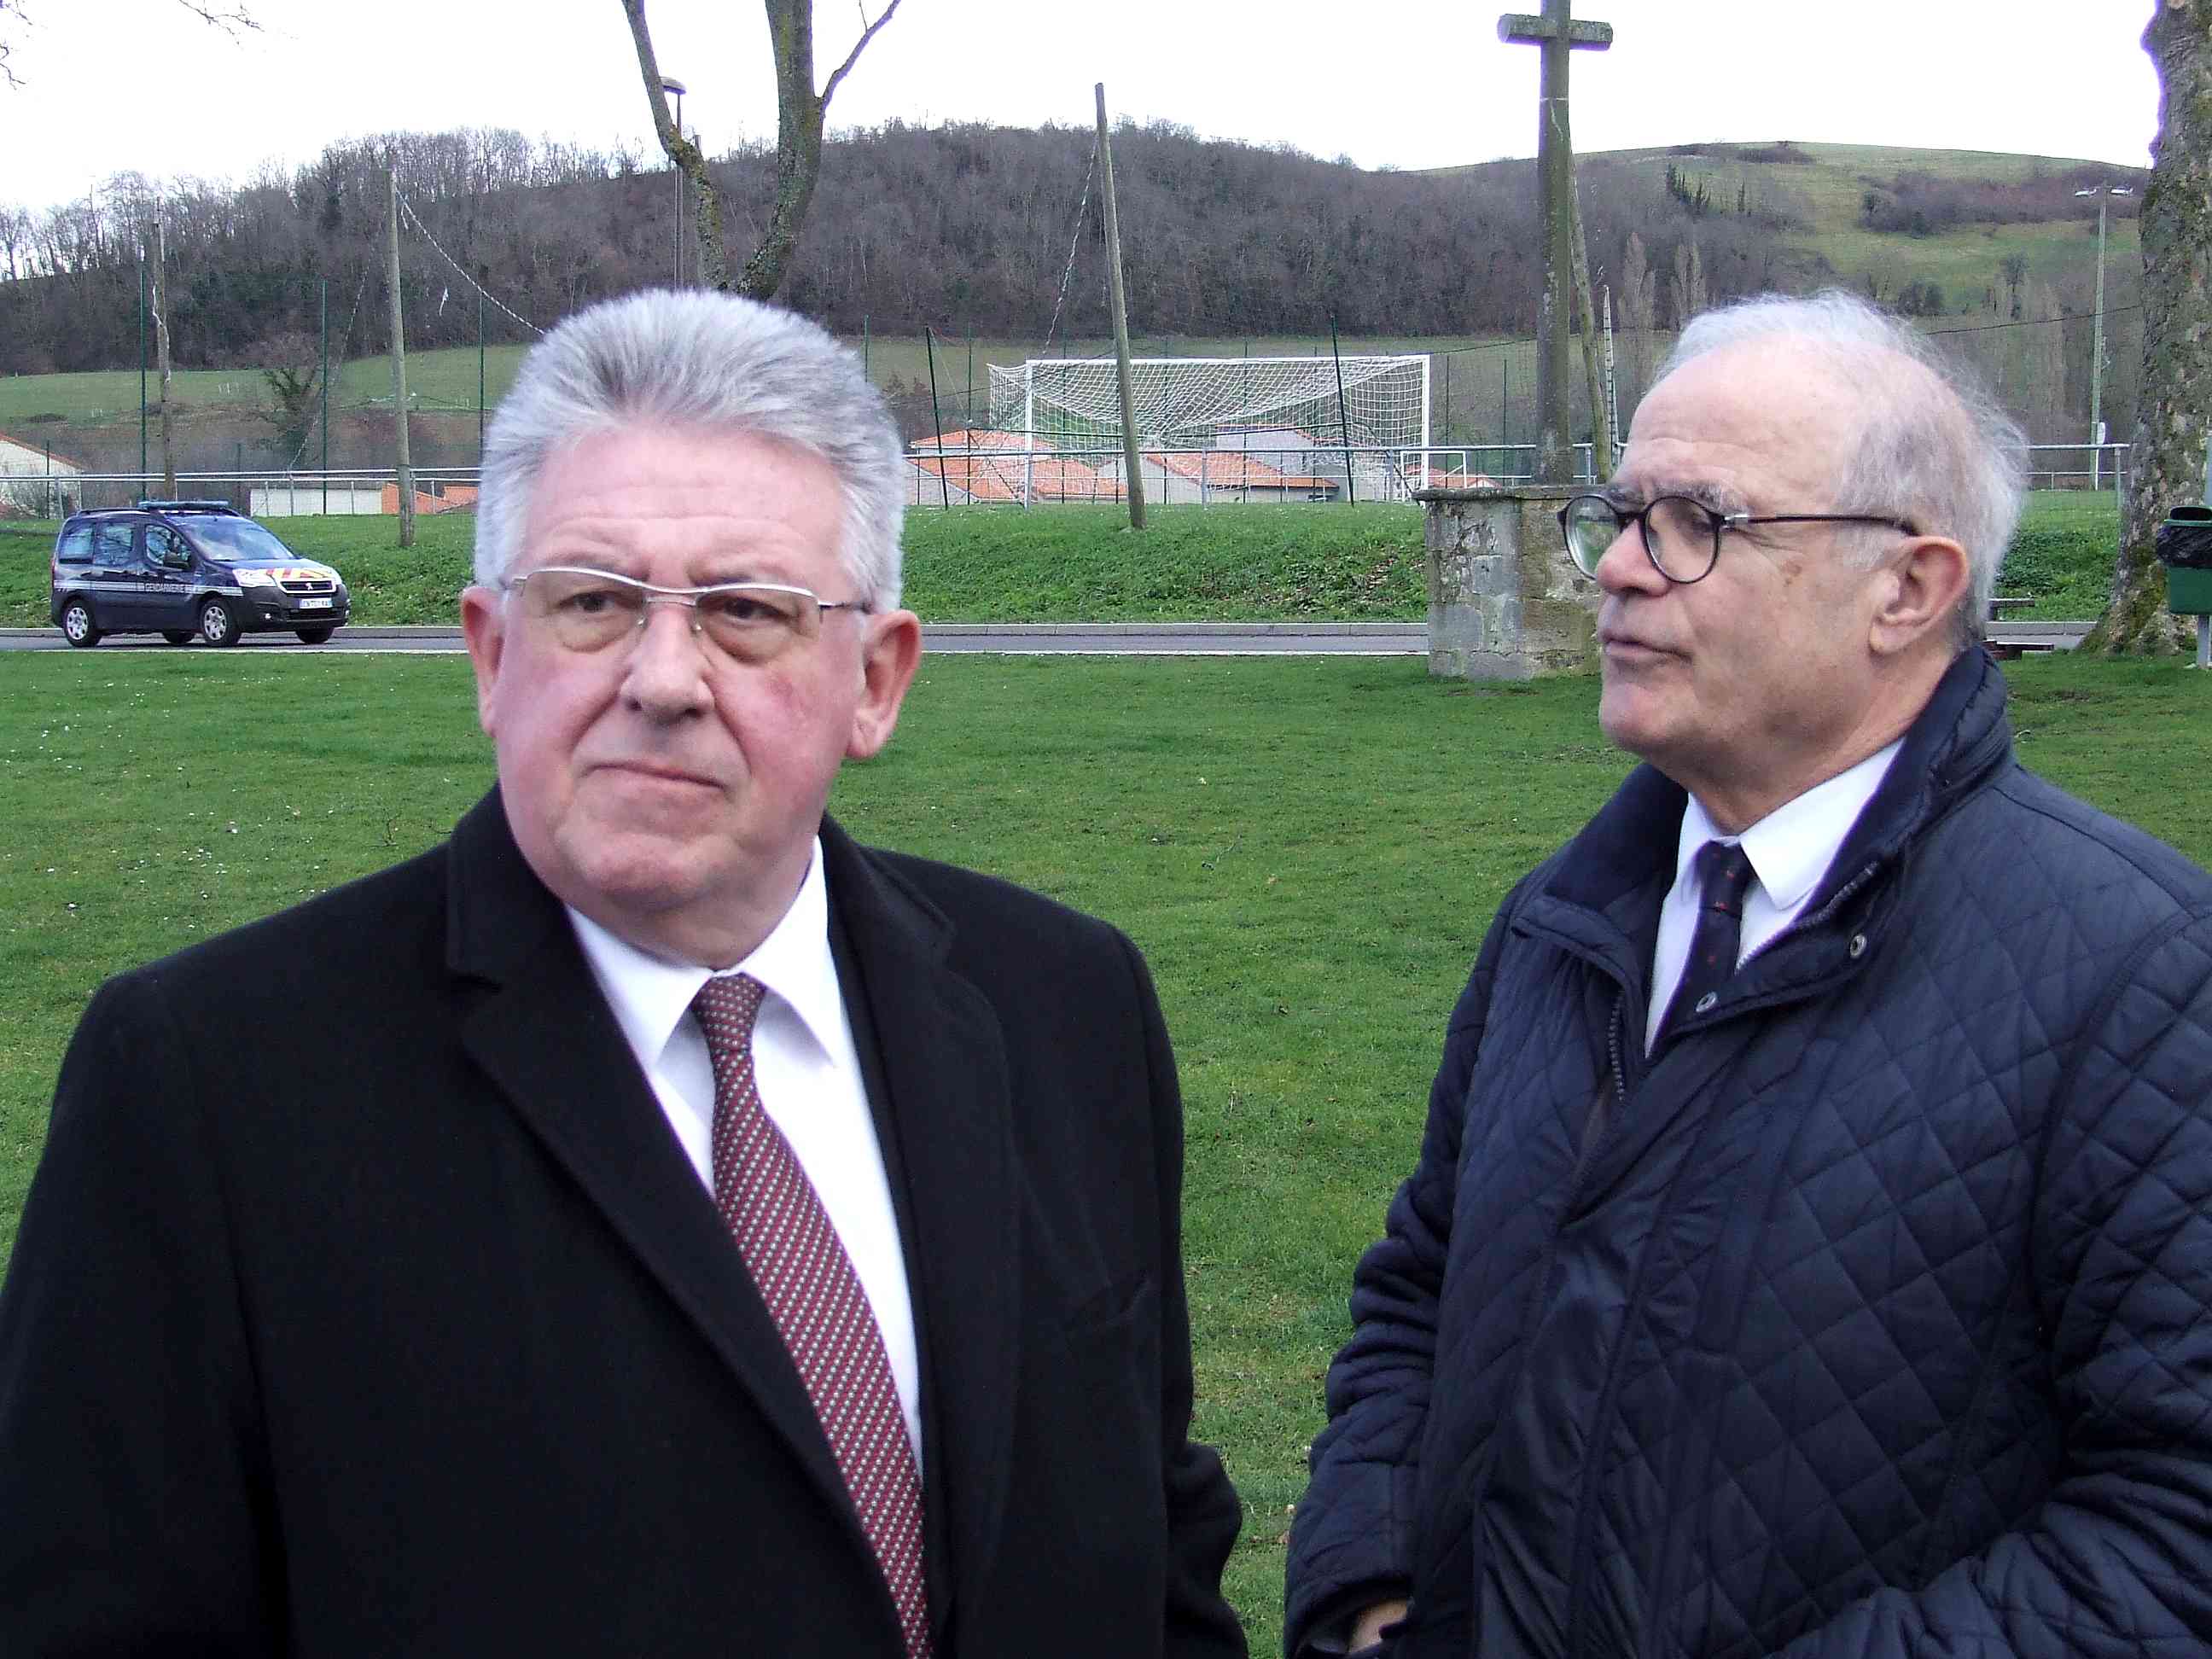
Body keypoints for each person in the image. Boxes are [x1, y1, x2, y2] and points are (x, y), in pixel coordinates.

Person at [0, 289, 1246, 1658]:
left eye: (746, 611)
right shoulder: (208, 1090)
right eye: (593, 602)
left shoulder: (1067, 1005)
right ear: (491, 655)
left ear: (876, 682)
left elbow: (1159, 1548)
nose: (663, 678)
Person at [1284, 289, 2212, 1657]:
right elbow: (1422, 1293)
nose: (1617, 567)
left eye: (1698, 522)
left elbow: (2175, 1537)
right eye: (1621, 514)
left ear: (1908, 589)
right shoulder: (1562, 919)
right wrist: (1370, 1593)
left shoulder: (2145, 980)